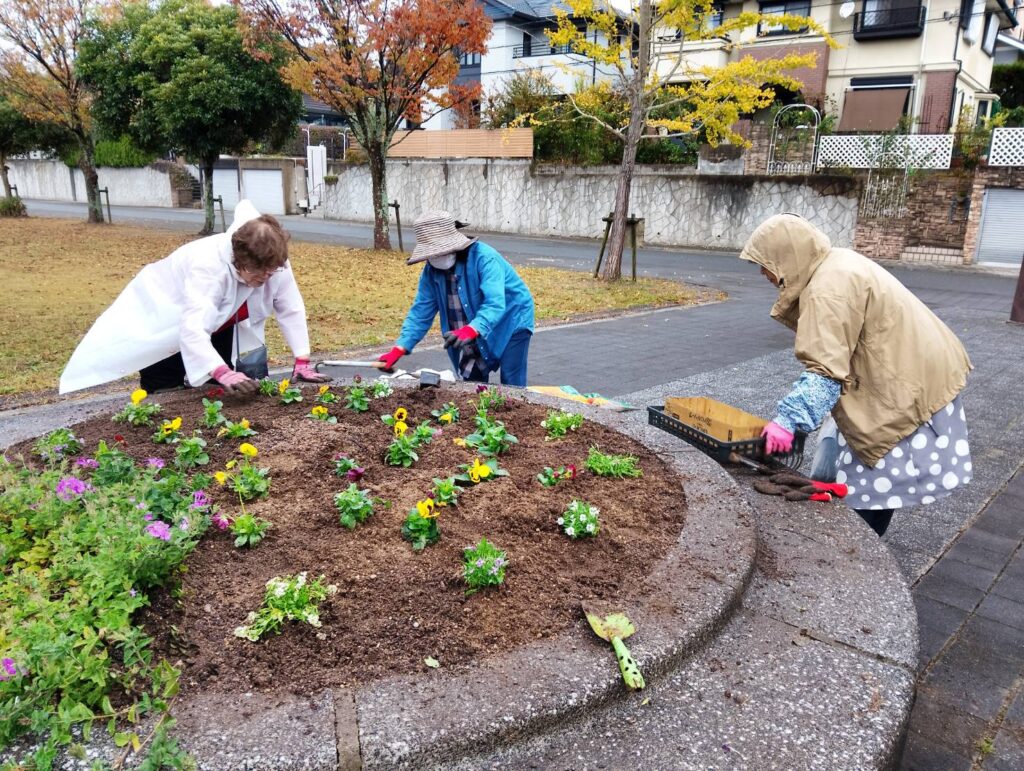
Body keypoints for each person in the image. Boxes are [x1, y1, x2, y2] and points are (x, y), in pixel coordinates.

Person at [740, 214, 973, 536]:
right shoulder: (835, 263)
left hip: (905, 387)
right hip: (916, 369)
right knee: (840, 447)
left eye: (764, 263)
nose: (763, 273)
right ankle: (840, 519)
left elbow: (825, 371)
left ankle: (860, 554)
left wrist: (787, 421)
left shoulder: (827, 289)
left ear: (785, 255)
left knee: (871, 483)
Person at [59, 200, 330, 396]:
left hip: (220, 321)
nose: (268, 278)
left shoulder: (273, 259)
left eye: (273, 271)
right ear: (241, 261)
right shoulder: (208, 268)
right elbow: (192, 328)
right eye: (261, 273)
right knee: (166, 386)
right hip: (165, 317)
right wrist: (223, 372)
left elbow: (289, 307)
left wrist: (302, 360)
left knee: (217, 386)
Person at [377, 210, 535, 386]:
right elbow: (421, 312)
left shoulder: (484, 258)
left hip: (512, 318)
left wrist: (471, 330)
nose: (436, 257)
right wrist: (400, 348)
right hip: (471, 326)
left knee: (511, 382)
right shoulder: (431, 272)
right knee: (471, 384)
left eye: (440, 251)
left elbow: (494, 304)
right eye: (432, 254)